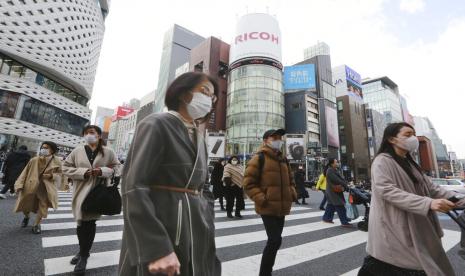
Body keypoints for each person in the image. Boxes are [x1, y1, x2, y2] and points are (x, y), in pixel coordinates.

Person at [118, 72, 221, 276]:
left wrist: (207, 216)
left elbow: (205, 186)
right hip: (163, 223)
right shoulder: (156, 123)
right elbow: (134, 186)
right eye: (204, 92)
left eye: (213, 97)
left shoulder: (200, 137)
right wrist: (156, 248)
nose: (209, 100)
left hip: (198, 227)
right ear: (183, 94)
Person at [358, 122, 465, 276]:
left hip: (418, 223)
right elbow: (387, 190)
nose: (413, 138)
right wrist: (428, 203)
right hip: (395, 225)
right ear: (392, 139)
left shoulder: (411, 164)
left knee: (421, 264)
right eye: (407, 135)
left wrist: (459, 200)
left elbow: (433, 189)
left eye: (414, 134)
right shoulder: (382, 160)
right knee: (408, 264)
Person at [62, 125, 120, 274]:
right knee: (81, 223)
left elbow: (118, 168)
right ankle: (83, 251)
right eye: (86, 133)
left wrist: (103, 171)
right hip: (80, 191)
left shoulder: (108, 151)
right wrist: (83, 172)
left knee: (90, 222)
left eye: (92, 132)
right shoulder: (77, 151)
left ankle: (83, 255)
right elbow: (65, 167)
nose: (89, 135)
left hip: (98, 192)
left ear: (99, 135)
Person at [243, 129, 298, 276]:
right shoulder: (259, 158)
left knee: (276, 241)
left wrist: (292, 193)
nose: (278, 140)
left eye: (280, 138)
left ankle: (267, 271)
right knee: (274, 240)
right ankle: (265, 273)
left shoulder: (283, 159)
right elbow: (248, 184)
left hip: (282, 207)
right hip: (267, 206)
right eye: (274, 137)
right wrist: (262, 199)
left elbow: (291, 181)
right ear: (266, 140)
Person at [13, 141, 62, 233]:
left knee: (43, 206)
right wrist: (19, 185)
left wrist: (51, 176)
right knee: (25, 205)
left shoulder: (57, 161)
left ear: (52, 150)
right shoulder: (34, 160)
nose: (44, 149)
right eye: (43, 147)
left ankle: (36, 224)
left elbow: (60, 174)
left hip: (45, 187)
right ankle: (27, 217)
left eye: (46, 147)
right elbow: (24, 173)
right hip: (30, 186)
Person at [322, 158, 352, 227]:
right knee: (339, 205)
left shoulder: (333, 170)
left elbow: (340, 179)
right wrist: (346, 185)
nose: (337, 163)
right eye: (336, 162)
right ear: (332, 164)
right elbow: (338, 180)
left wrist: (346, 184)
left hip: (331, 191)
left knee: (331, 205)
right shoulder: (330, 171)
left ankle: (327, 218)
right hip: (333, 192)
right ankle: (344, 221)